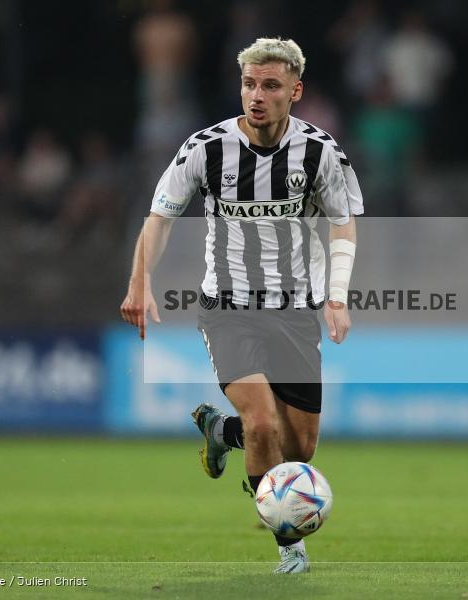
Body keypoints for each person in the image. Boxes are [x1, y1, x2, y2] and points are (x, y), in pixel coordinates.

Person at [119, 38, 363, 574]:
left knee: (300, 448)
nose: (257, 95)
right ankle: (289, 552)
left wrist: (337, 295)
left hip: (295, 312)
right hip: (227, 307)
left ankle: (218, 432)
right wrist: (140, 280)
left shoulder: (321, 152)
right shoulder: (205, 148)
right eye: (250, 84)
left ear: (294, 92)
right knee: (262, 426)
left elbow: (343, 222)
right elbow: (159, 218)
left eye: (271, 85)